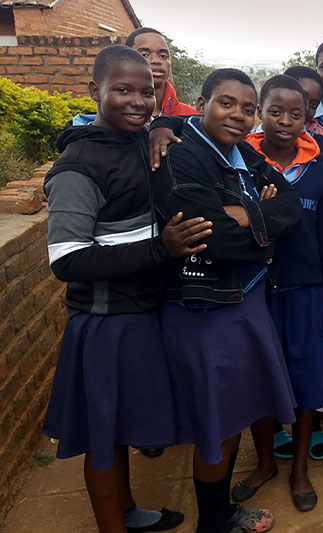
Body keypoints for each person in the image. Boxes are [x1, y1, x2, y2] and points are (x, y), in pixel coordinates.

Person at [41, 44, 205, 533]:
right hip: (106, 320)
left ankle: (128, 511)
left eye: (147, 92)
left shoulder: (136, 138)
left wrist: (160, 126)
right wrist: (163, 250)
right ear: (95, 92)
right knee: (103, 436)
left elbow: (187, 124)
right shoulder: (79, 166)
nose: (137, 101)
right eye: (123, 91)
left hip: (142, 310)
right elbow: (67, 260)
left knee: (119, 426)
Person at [150, 68, 302, 532]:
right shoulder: (179, 157)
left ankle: (220, 514)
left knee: (233, 414)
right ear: (201, 104)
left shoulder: (240, 155)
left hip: (243, 301)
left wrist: (246, 215)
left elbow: (291, 205)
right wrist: (261, 222)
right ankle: (214, 522)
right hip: (207, 310)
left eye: (246, 108)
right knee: (216, 422)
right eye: (226, 103)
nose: (238, 115)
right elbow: (211, 238)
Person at [230, 75, 323, 512]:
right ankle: (265, 463)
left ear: (307, 117)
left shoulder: (320, 165)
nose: (284, 121)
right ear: (260, 111)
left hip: (307, 290)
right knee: (257, 376)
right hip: (254, 290)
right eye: (274, 111)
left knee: (306, 379)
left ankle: (299, 469)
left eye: (295, 114)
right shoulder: (239, 158)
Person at [125, 27, 196, 117]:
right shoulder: (117, 117)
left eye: (163, 56)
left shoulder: (191, 118)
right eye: (145, 55)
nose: (156, 61)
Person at [282, 66, 323, 155]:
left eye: (313, 105)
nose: (305, 108)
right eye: (301, 98)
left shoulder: (322, 149)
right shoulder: (250, 144)